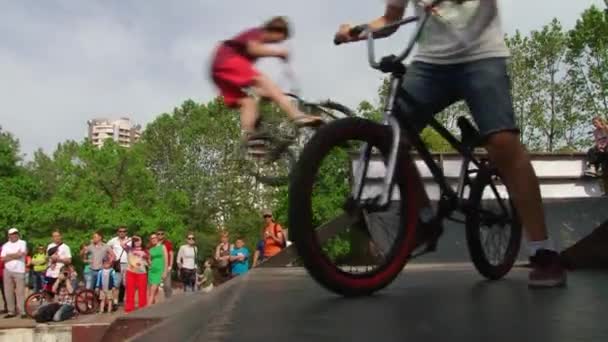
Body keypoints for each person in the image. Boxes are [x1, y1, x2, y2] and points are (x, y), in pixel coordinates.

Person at [334, 0, 566, 287]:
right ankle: (423, 219)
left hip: (481, 55)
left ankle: (544, 249)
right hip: (431, 65)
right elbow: (390, 18)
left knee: (502, 142)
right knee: (393, 137)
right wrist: (357, 30)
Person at [210, 16, 322, 150]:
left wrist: (267, 94)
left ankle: (248, 138)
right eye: (280, 39)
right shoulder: (257, 33)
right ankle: (296, 116)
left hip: (218, 71)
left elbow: (246, 77)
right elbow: (253, 49)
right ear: (276, 31)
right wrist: (277, 53)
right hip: (227, 60)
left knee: (247, 102)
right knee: (264, 81)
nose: (277, 42)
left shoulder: (255, 38)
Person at [0, 228, 27, 318]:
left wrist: (9, 255)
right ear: (9, 235)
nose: (14, 235)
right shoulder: (5, 245)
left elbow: (22, 254)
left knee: (20, 292)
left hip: (19, 269)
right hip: (7, 270)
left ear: (18, 234)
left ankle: (22, 311)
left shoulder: (22, 242)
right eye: (12, 234)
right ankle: (11, 311)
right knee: (8, 292)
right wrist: (16, 255)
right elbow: (3, 258)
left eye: (15, 233)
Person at [124, 235, 148, 313]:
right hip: (130, 272)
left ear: (141, 241)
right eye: (135, 240)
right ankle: (129, 308)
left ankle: (143, 308)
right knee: (130, 291)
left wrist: (144, 255)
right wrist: (131, 238)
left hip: (141, 273)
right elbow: (123, 244)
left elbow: (148, 260)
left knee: (142, 292)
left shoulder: (145, 251)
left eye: (138, 240)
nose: (137, 242)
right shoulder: (130, 249)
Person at [107, 226, 131, 305]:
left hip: (128, 264)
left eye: (124, 231)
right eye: (120, 231)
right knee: (116, 284)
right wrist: (110, 257)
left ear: (126, 232)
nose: (122, 233)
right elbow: (106, 248)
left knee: (127, 284)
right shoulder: (113, 240)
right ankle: (115, 301)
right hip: (117, 265)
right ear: (118, 232)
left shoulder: (130, 240)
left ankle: (127, 300)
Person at [147, 233, 167, 305]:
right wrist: (149, 264)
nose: (153, 239)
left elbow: (166, 259)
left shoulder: (162, 247)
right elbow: (149, 259)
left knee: (153, 291)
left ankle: (147, 309)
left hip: (159, 270)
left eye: (154, 237)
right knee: (154, 292)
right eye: (152, 238)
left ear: (157, 238)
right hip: (152, 271)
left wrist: (165, 271)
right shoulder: (150, 249)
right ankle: (155, 308)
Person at [156, 229, 174, 299]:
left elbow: (171, 254)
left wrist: (170, 266)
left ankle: (169, 300)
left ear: (164, 235)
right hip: (157, 267)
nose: (160, 235)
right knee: (157, 286)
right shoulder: (154, 243)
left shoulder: (167, 243)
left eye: (162, 234)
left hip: (166, 267)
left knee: (167, 285)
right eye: (158, 234)